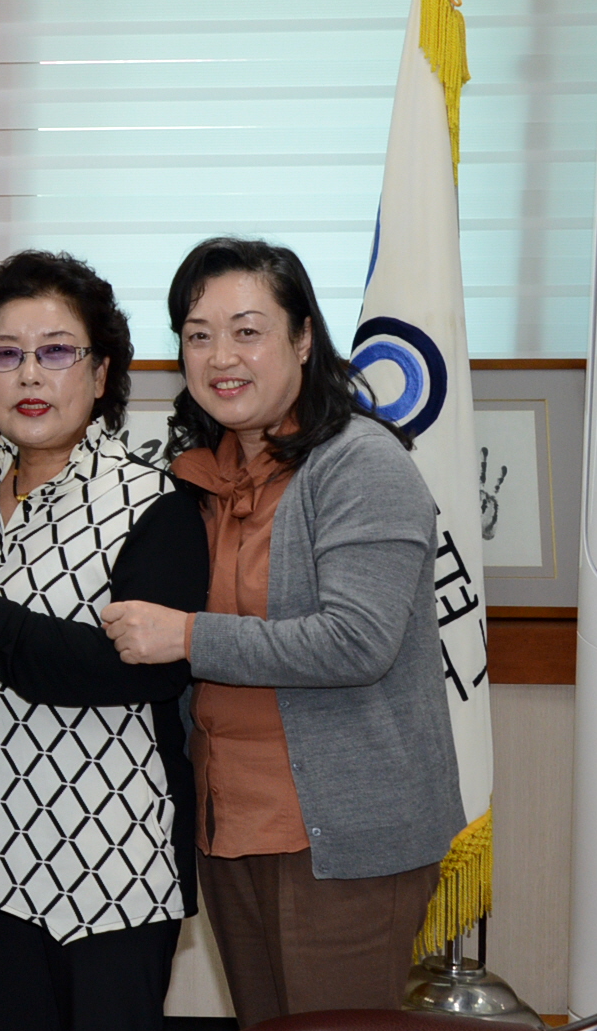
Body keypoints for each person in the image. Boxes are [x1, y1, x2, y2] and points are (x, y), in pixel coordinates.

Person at [101, 237, 461, 1026]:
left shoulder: (359, 462)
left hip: (340, 833)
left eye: (246, 329)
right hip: (227, 823)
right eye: (197, 334)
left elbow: (354, 641)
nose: (220, 355)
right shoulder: (202, 473)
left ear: (302, 338)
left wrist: (186, 636)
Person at [0, 251, 209, 1031]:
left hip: (113, 856)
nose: (28, 375)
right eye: (4, 354)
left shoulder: (154, 501)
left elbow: (139, 671)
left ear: (101, 373)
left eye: (55, 351)